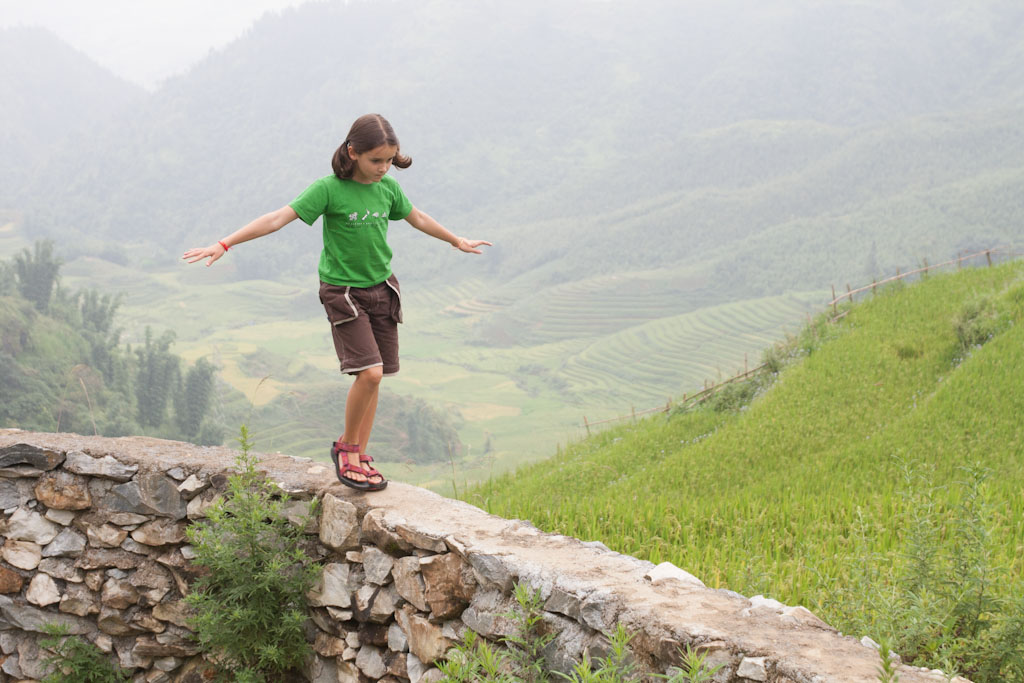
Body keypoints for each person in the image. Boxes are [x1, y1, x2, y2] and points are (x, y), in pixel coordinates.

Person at [183, 113, 491, 491]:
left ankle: (361, 452)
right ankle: (346, 449)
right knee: (370, 372)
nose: (383, 168)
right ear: (353, 152)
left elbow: (418, 219)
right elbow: (277, 219)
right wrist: (225, 243)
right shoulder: (329, 189)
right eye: (375, 160)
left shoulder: (388, 190)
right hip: (343, 292)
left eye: (389, 161)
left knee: (377, 378)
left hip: (382, 288)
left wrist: (456, 240)